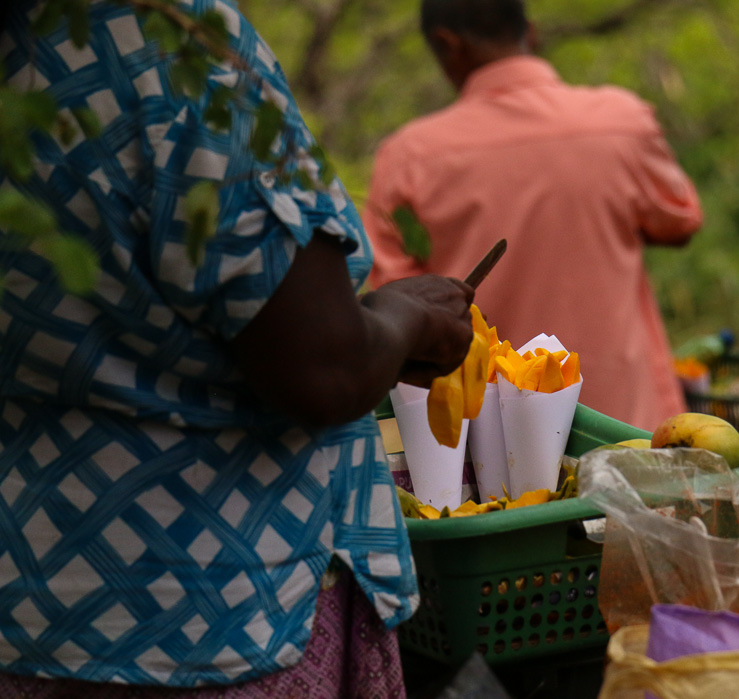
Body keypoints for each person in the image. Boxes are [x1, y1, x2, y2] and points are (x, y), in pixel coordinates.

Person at [0, 0, 476, 696]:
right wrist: (401, 318)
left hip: (32, 605)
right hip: (212, 617)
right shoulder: (170, 39)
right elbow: (325, 366)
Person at [362, 0, 703, 432]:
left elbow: (398, 300)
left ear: (448, 45)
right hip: (630, 433)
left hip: (490, 447)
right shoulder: (622, 123)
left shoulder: (409, 158)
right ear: (531, 31)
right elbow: (681, 220)